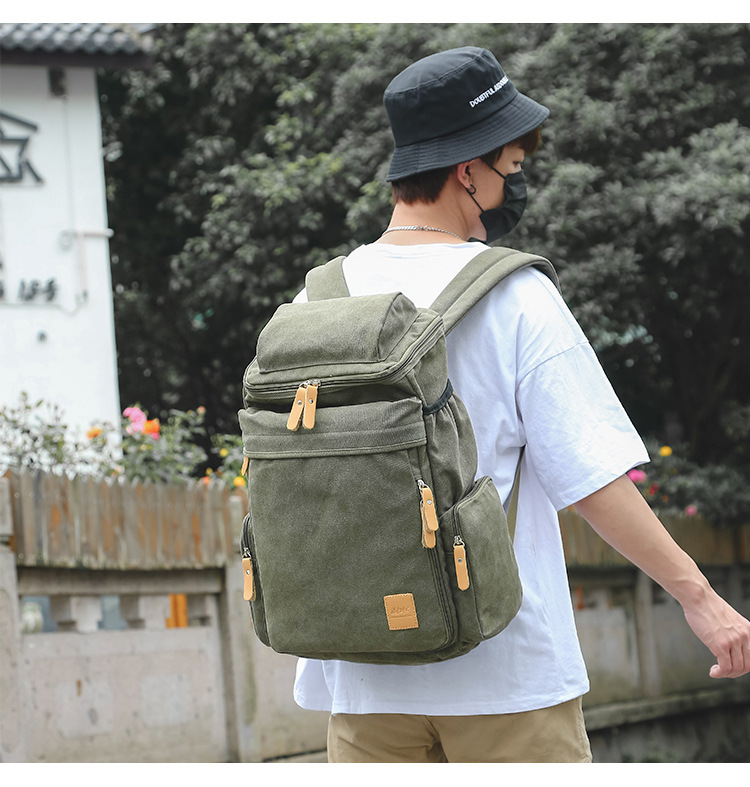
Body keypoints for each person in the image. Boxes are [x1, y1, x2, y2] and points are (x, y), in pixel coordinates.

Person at [291, 46, 750, 763]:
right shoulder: (515, 296)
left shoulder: (317, 299)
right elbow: (592, 479)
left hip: (363, 680)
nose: (515, 184)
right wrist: (701, 598)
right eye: (510, 166)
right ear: (466, 170)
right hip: (506, 680)